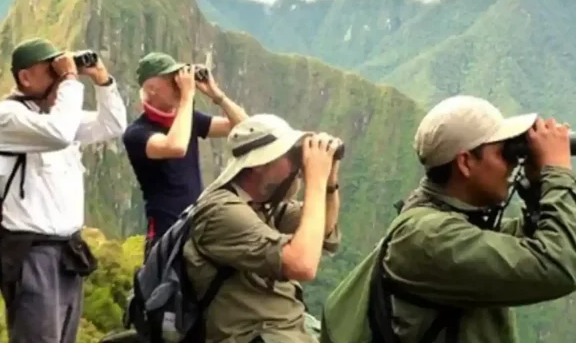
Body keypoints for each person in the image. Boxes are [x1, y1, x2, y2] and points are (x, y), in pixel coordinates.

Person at [321, 95, 576, 343]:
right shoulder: (428, 236)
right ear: (465, 162)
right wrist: (557, 172)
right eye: (504, 154)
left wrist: (536, 187)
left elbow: (534, 242)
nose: (512, 165)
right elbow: (559, 265)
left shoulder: (450, 218)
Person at [0, 37, 127, 343]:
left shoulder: (55, 116)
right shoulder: (7, 117)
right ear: (25, 77)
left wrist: (102, 80)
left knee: (63, 337)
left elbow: (112, 126)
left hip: (67, 251)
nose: (60, 75)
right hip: (32, 253)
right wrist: (72, 80)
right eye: (51, 70)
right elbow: (60, 135)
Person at [182, 113, 343, 342]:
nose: (297, 166)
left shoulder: (264, 207)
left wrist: (329, 181)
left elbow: (325, 229)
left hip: (285, 332)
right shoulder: (221, 210)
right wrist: (315, 180)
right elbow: (303, 265)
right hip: (252, 336)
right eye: (290, 156)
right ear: (259, 164)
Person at [122, 52, 248, 258]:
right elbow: (176, 146)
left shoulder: (187, 119)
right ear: (152, 89)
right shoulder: (137, 133)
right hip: (165, 235)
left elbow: (245, 128)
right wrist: (187, 97)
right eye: (171, 80)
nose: (179, 84)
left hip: (196, 229)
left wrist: (217, 96)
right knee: (163, 290)